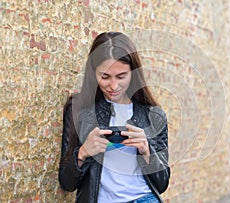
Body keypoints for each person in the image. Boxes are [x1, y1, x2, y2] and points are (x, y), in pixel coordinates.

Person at [58, 32, 170, 203]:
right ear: (93, 73)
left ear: (133, 73)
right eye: (105, 77)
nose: (113, 86)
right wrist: (83, 153)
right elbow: (67, 183)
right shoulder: (79, 110)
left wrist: (147, 151)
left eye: (121, 76)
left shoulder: (153, 115)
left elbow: (162, 184)